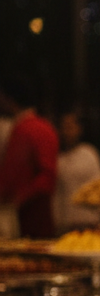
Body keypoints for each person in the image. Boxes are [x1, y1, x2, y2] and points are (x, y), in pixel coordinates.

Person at [0, 78, 59, 238]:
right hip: (24, 213)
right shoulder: (31, 127)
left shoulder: (32, 129)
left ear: (10, 99)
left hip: (32, 216)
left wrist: (18, 198)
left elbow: (47, 176)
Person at [53, 110, 100, 232]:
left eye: (70, 127)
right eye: (63, 127)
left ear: (79, 129)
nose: (66, 132)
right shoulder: (57, 157)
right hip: (63, 223)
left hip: (88, 220)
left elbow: (98, 187)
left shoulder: (89, 154)